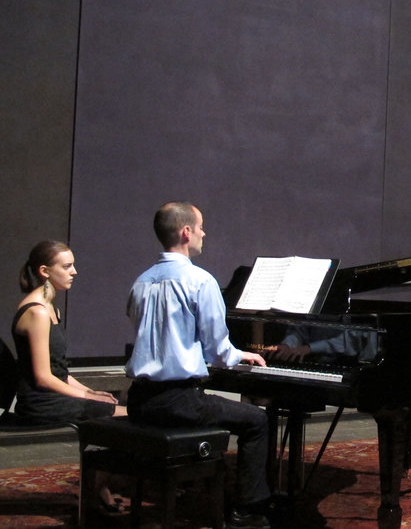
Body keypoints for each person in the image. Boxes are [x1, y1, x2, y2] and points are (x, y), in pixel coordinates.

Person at [125, 202, 271, 529]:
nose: (205, 233)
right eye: (201, 227)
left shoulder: (141, 281)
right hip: (178, 401)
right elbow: (219, 351)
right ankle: (248, 511)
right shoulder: (200, 281)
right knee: (257, 420)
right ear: (186, 232)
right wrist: (240, 355)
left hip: (139, 400)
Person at [12, 240, 128, 513]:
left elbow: (59, 371)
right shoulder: (37, 312)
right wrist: (87, 396)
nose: (74, 271)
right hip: (40, 402)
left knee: (115, 404)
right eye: (66, 266)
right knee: (130, 418)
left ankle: (98, 486)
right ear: (44, 271)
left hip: (53, 394)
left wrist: (89, 391)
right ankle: (95, 488)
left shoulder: (52, 308)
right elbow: (43, 377)